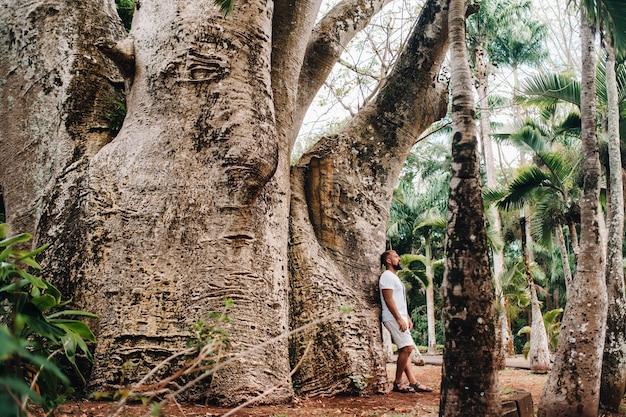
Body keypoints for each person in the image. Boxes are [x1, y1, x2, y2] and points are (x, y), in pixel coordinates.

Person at [379, 249, 433, 394]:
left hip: (399, 317)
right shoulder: (387, 276)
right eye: (396, 257)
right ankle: (397, 382)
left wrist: (406, 317)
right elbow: (388, 299)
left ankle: (413, 382)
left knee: (405, 348)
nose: (400, 259)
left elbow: (399, 300)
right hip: (391, 317)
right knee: (408, 348)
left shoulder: (394, 277)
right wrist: (398, 318)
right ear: (389, 261)